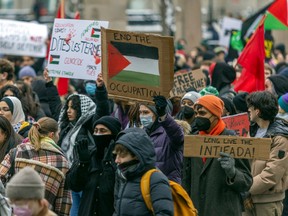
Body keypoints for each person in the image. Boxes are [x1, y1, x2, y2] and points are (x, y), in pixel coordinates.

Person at [188, 95, 252, 216]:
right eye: (196, 113)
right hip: (196, 210)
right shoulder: (193, 140)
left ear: (215, 115)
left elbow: (247, 181)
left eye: (202, 113)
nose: (197, 117)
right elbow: (186, 178)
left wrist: (232, 172)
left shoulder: (232, 139)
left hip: (224, 210)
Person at [0, 117, 71, 215]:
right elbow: (63, 201)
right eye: (58, 133)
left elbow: (1, 178)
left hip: (14, 211)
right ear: (52, 134)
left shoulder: (17, 151)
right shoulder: (62, 161)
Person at [243, 91, 288, 216]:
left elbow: (272, 174)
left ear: (257, 111)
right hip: (248, 198)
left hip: (267, 201)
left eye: (250, 107)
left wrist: (246, 187)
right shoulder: (252, 131)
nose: (248, 110)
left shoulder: (280, 138)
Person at [66, 116, 121, 216]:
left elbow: (111, 188)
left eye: (103, 131)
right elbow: (74, 185)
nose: (98, 134)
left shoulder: (120, 159)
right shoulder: (89, 154)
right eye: (96, 131)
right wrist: (83, 163)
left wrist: (108, 164)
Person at [113, 127, 174, 216]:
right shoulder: (124, 177)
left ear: (137, 155)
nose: (116, 160)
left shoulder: (155, 178)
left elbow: (165, 213)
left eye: (122, 154)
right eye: (116, 154)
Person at [139, 96, 184, 183]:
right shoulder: (141, 133)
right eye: (140, 112)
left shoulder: (170, 133)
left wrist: (163, 116)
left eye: (146, 112)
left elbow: (177, 136)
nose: (142, 116)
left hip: (167, 187)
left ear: (157, 113)